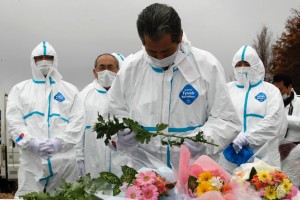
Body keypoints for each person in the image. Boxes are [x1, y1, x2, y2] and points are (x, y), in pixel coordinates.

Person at [106, 3, 241, 169]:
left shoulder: (206, 66)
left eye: (167, 52)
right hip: (144, 176)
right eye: (152, 52)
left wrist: (206, 139)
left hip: (195, 172)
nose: (160, 57)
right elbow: (114, 110)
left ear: (180, 38)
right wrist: (119, 131)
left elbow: (226, 119)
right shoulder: (130, 69)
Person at [6, 41, 85, 196]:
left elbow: (77, 122)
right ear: (32, 60)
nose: (43, 61)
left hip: (64, 161)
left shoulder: (70, 90)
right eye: (39, 57)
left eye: (48, 57)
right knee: (28, 196)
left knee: (65, 197)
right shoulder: (20, 90)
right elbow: (14, 122)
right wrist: (30, 142)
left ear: (55, 59)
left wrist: (60, 142)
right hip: (32, 161)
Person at [219, 45, 287, 173]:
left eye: (246, 64)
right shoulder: (227, 89)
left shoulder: (270, 91)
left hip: (263, 158)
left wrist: (247, 138)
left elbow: (275, 121)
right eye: (239, 64)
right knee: (229, 191)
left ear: (256, 65)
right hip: (230, 158)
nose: (242, 67)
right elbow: (218, 118)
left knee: (262, 190)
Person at [79, 52, 124, 178]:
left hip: (122, 165)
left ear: (118, 70)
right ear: (95, 71)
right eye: (101, 67)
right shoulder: (83, 96)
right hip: (93, 165)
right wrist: (78, 158)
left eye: (110, 67)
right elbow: (77, 133)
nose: (106, 71)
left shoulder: (127, 93)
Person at [273, 73, 300, 187]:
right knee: (274, 184)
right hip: (275, 149)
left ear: (289, 87)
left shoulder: (299, 102)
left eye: (281, 89)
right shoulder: (272, 102)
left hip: (295, 150)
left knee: (291, 185)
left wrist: (283, 118)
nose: (278, 93)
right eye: (275, 89)